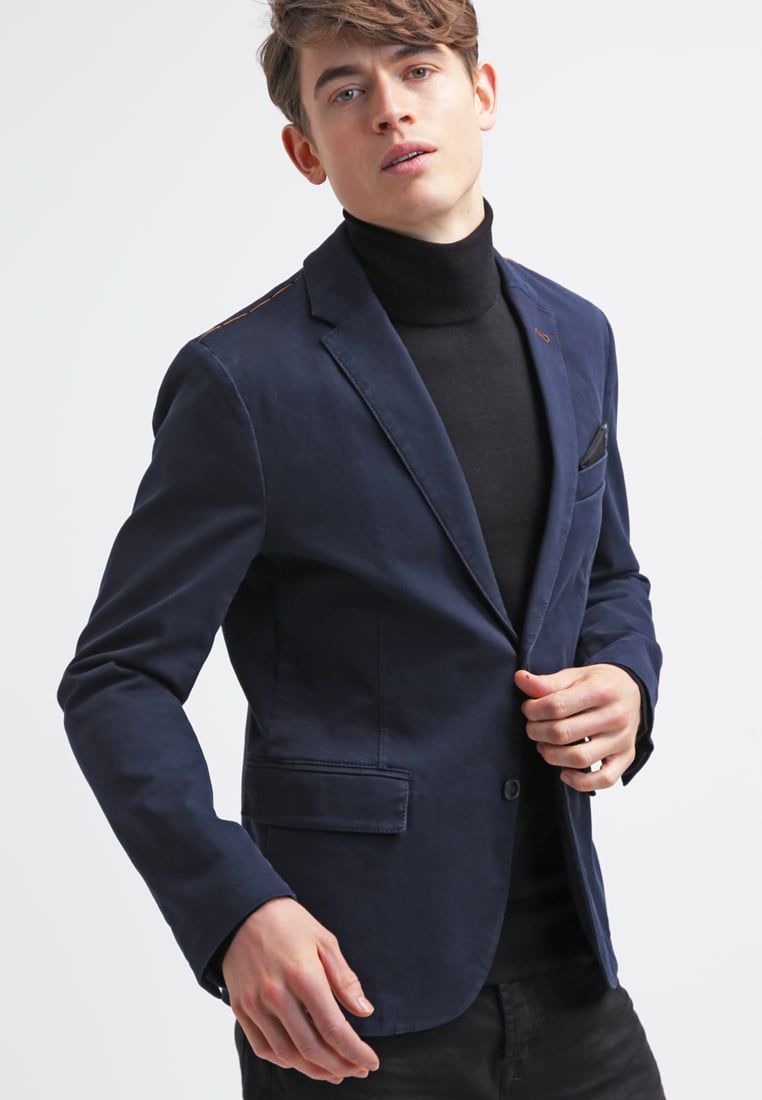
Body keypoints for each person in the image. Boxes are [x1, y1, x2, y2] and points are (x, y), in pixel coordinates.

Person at [57, 1, 667, 1095]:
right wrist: (235, 908)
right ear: (306, 150)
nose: (390, 108)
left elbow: (608, 574)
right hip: (351, 999)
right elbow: (117, 679)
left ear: (482, 92)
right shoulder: (244, 380)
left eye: (418, 69)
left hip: (578, 982)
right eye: (346, 90)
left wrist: (624, 678)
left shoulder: (577, 334)